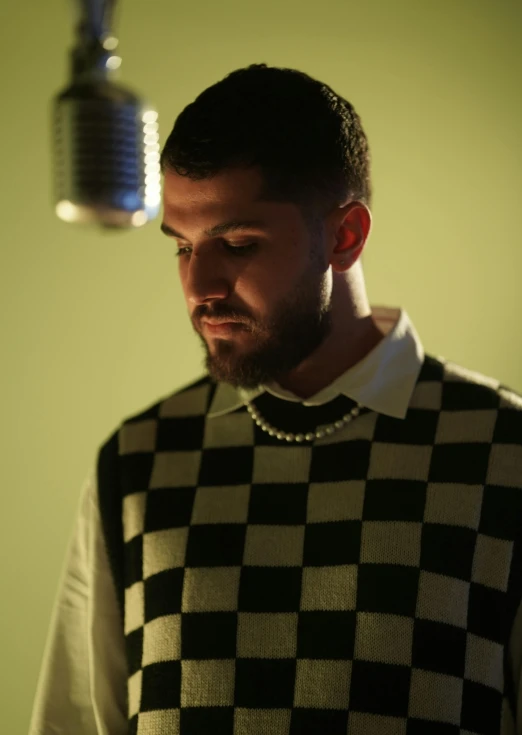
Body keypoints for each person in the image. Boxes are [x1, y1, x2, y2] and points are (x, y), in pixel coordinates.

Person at [29, 63, 522, 735]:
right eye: (180, 246)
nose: (199, 285)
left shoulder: (504, 452)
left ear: (345, 236)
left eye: (236, 243)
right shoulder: (139, 462)